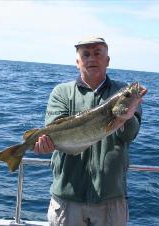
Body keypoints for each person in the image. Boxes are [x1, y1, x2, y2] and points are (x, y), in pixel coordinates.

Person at [33, 37, 145, 226]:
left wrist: (127, 118)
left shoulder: (124, 92)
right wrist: (44, 145)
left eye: (97, 53)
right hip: (67, 196)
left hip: (111, 197)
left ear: (107, 60)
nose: (91, 58)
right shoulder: (61, 92)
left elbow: (129, 135)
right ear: (77, 62)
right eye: (85, 54)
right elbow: (54, 130)